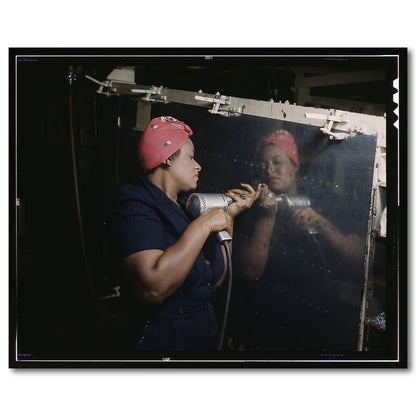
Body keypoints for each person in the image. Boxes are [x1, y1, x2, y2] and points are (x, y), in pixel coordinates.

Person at [111, 116, 260, 351]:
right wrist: (203, 225)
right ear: (168, 158)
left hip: (201, 334)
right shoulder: (135, 204)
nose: (198, 165)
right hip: (162, 342)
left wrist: (229, 217)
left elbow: (218, 279)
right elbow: (153, 288)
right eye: (191, 157)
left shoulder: (182, 208)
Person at [232, 129, 365, 351]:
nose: (269, 169)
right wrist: (267, 216)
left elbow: (359, 256)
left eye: (277, 162)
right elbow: (250, 269)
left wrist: (320, 222)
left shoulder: (322, 200)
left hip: (314, 319)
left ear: (295, 165)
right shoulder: (252, 208)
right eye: (262, 164)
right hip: (267, 320)